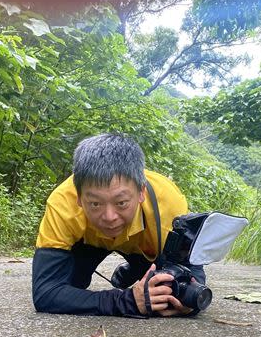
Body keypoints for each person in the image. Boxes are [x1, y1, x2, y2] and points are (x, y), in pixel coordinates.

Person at [31, 133, 206, 317]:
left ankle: (130, 271)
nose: (109, 217)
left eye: (121, 203)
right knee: (72, 284)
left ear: (141, 193)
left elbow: (194, 274)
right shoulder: (62, 203)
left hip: (145, 247)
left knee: (167, 283)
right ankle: (130, 271)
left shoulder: (168, 205)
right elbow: (46, 293)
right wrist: (126, 301)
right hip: (88, 244)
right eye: (95, 204)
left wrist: (187, 302)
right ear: (79, 198)